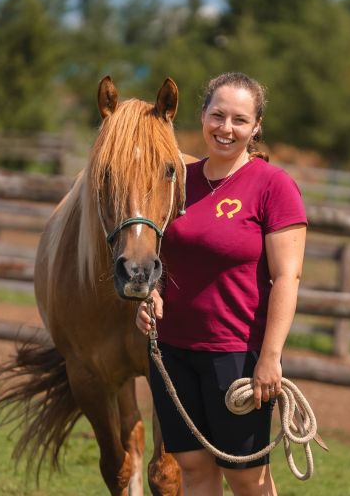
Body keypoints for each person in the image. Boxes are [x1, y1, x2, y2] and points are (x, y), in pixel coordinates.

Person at [136, 72, 307, 496]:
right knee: (193, 469)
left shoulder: (274, 186)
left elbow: (288, 276)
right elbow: (156, 254)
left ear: (255, 127)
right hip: (172, 350)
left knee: (246, 477)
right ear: (203, 116)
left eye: (239, 120)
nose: (226, 129)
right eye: (218, 116)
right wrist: (149, 295)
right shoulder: (176, 181)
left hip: (236, 352)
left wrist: (271, 357)